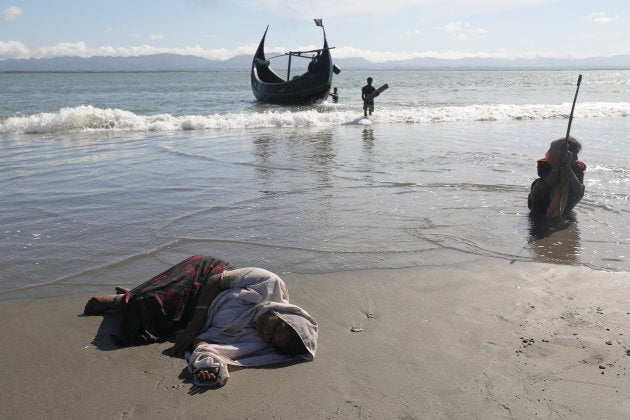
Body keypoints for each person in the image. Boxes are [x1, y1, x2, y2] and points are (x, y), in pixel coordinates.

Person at [84, 255, 318, 387]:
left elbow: (211, 346)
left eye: (271, 337)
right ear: (284, 313)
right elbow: (216, 280)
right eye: (276, 325)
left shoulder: (253, 337)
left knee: (144, 325)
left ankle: (133, 296)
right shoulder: (269, 283)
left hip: (194, 313)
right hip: (205, 280)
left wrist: (210, 367)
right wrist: (194, 327)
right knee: (150, 300)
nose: (267, 330)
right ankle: (122, 300)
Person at [528, 136, 586, 220]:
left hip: (565, 203)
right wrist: (557, 165)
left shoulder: (577, 166)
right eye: (574, 154)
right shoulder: (545, 164)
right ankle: (537, 214)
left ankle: (563, 213)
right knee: (539, 183)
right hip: (543, 203)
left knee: (581, 187)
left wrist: (568, 168)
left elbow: (578, 190)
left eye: (577, 154)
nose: (576, 158)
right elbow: (549, 182)